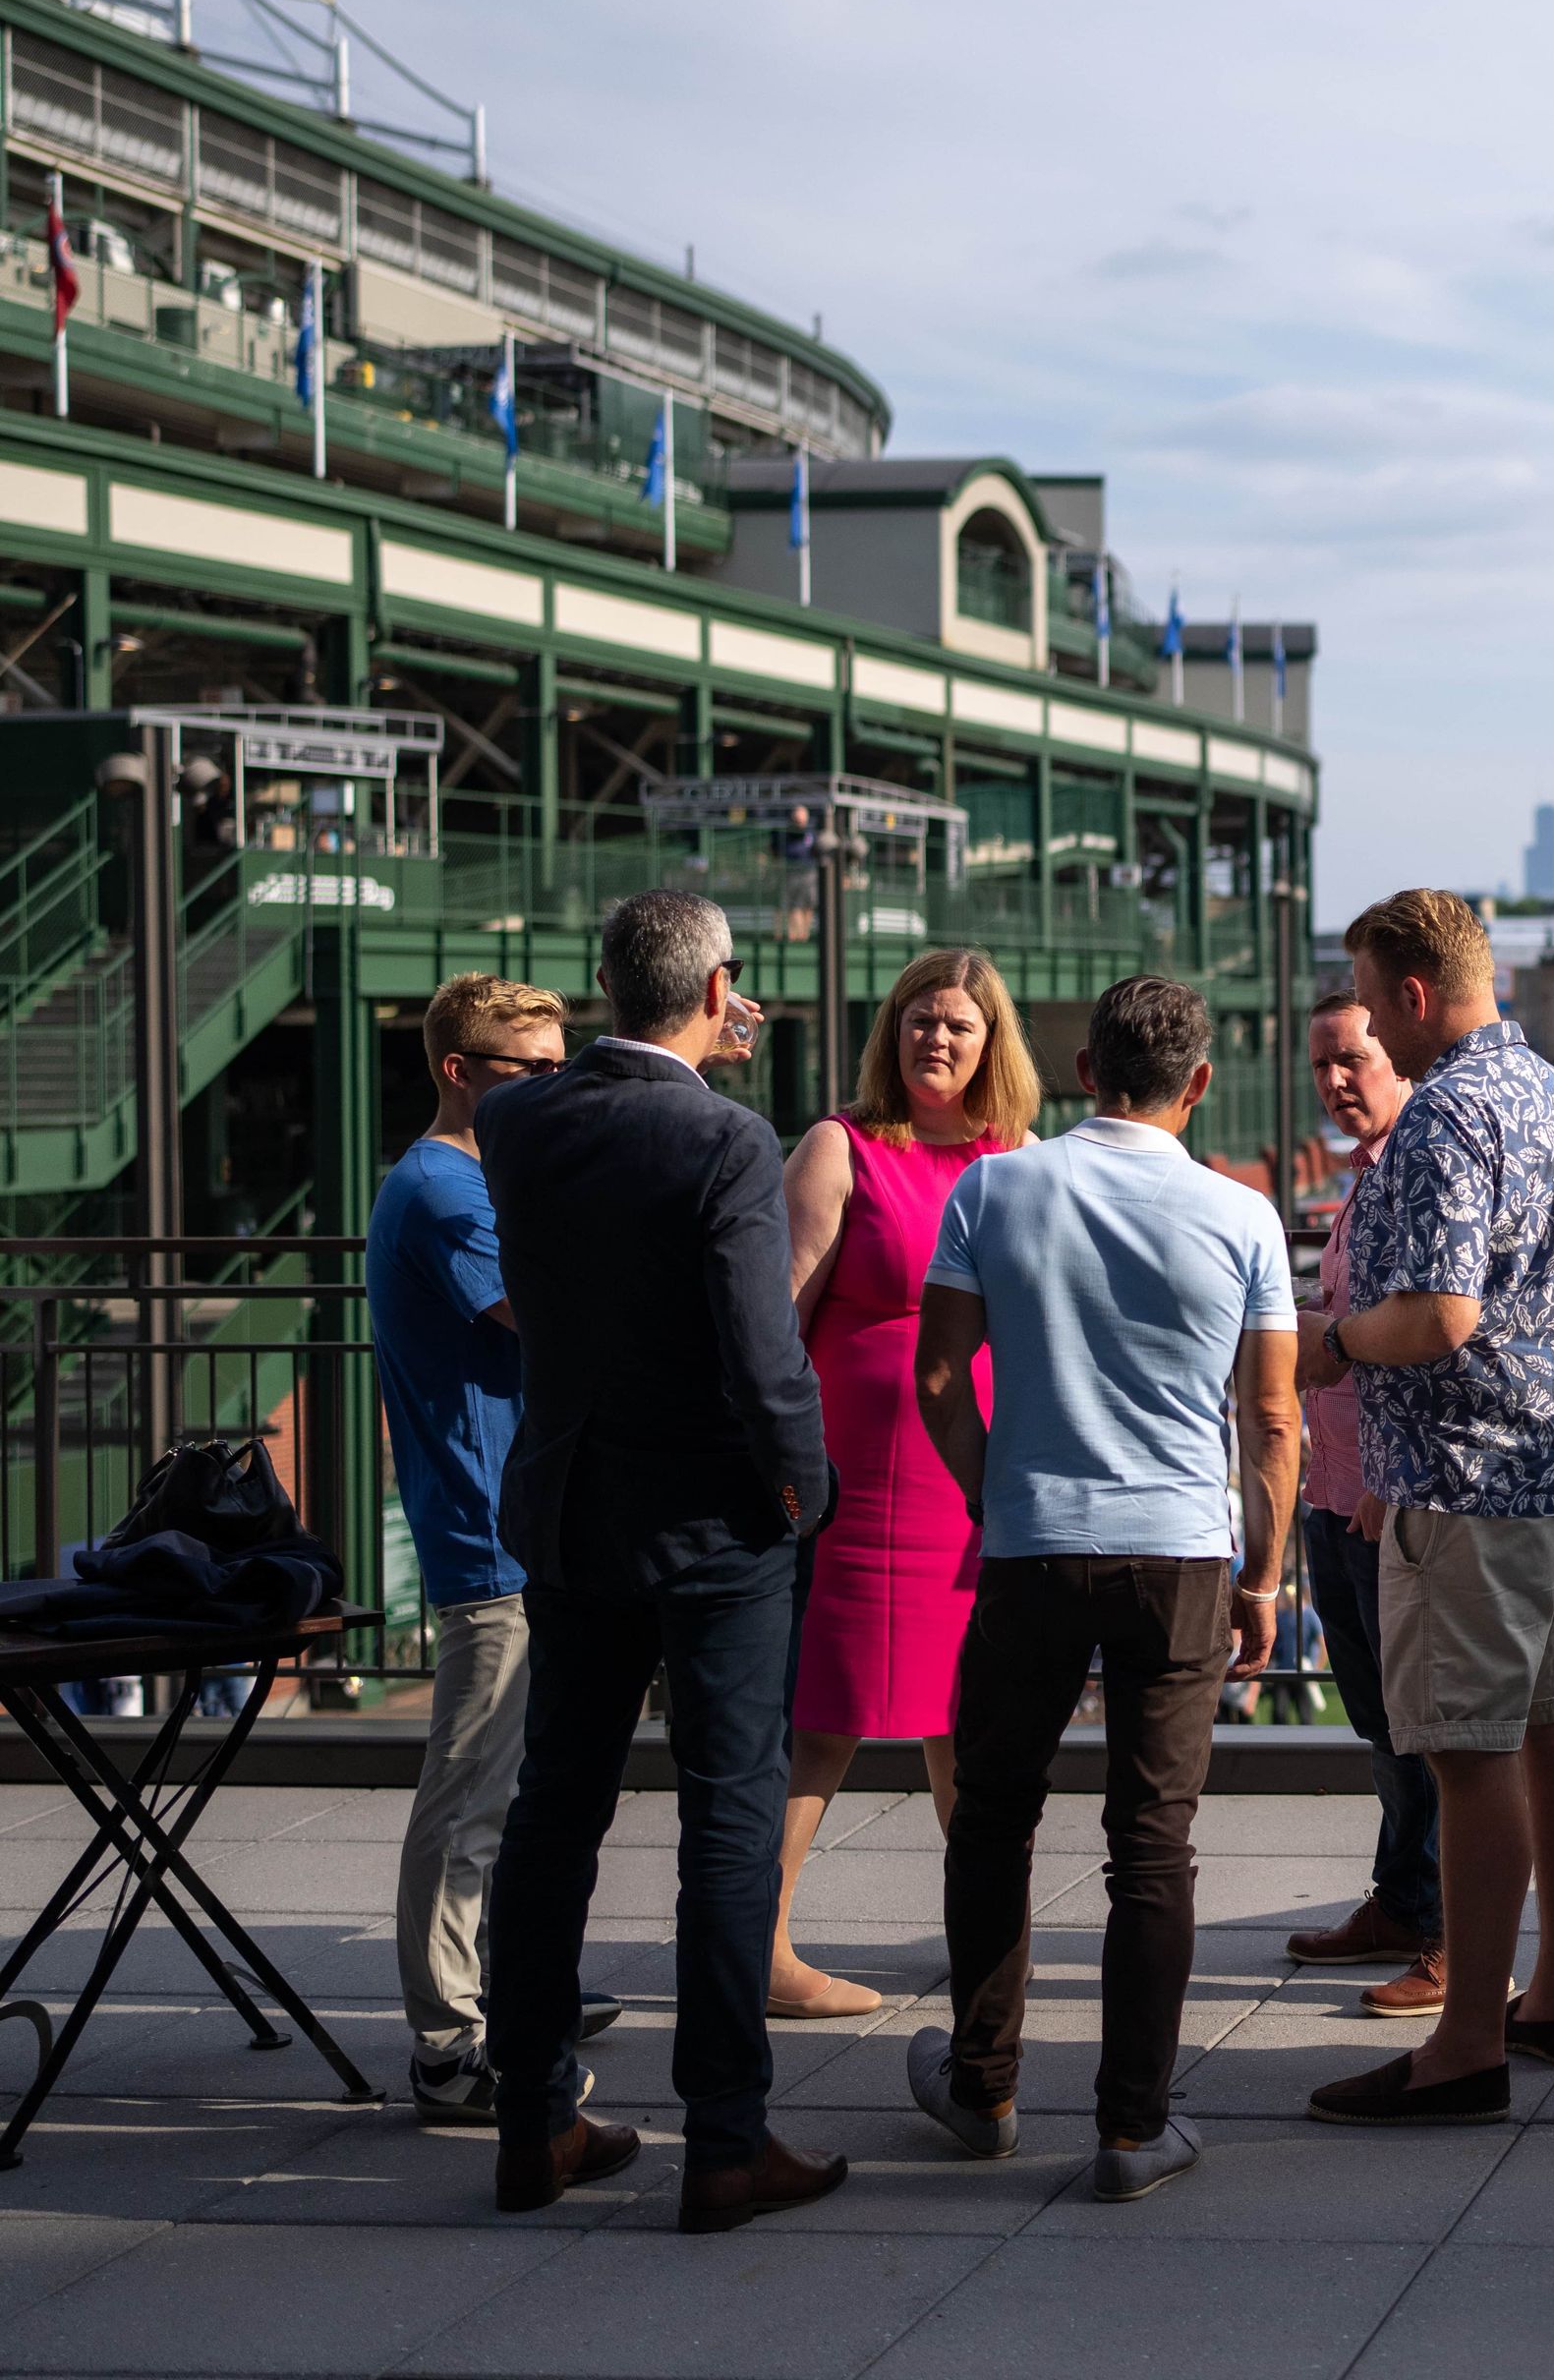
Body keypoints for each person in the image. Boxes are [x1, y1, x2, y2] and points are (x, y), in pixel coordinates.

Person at [478, 891, 844, 2232]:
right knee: (730, 1816)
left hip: (573, 1518)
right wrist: (807, 1489)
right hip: (711, 1533)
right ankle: (727, 2141)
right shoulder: (727, 1144)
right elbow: (764, 1358)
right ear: (716, 990)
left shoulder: (517, 1124)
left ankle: (531, 2123)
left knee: (552, 1814)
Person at [905, 973, 1296, 2204]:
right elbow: (1273, 1414)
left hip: (1031, 1543)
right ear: (1199, 1084)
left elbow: (934, 1378)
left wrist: (990, 1492)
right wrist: (1265, 1572)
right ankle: (1132, 2126)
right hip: (1179, 1551)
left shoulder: (996, 1184)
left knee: (994, 1816)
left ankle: (984, 2088)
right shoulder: (1244, 1216)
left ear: (1084, 1071)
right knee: (1152, 1845)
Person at [1299, 889, 1554, 2129]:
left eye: (1374, 1000)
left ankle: (1465, 2045)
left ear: (1416, 995)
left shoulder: (1446, 1116)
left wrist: (1332, 1342)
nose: (1373, 1023)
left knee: (1473, 1754)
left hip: (1470, 1484)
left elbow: (1438, 1315)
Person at [767, 948, 1040, 2019]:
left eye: (958, 1025)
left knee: (966, 1718)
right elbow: (778, 1317)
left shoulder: (1018, 1154)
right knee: (823, 1713)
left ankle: (989, 1945)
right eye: (920, 1019)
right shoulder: (841, 1144)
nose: (935, 1038)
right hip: (857, 1479)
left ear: (991, 1044)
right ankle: (762, 1946)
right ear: (893, 1030)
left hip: (969, 1468)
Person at [370, 974, 621, 2123]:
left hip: (522, 1519)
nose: (555, 1084)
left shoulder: (466, 1177)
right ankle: (448, 2043)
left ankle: (515, 1988)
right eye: (535, 1069)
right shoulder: (440, 1191)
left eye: (567, 1063)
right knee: (470, 1794)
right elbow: (555, 1307)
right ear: (460, 1070)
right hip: (489, 1532)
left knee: (515, 1789)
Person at [1283, 988, 1450, 2016]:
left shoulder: (1420, 1168)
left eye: (1353, 1059)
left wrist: (1389, 1481)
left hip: (1382, 1495)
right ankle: (1402, 1897)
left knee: (1420, 1725)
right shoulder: (1361, 1178)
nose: (1338, 1082)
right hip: (1334, 1485)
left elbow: (1430, 1336)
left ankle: (1442, 1928)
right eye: (1322, 1067)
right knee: (1378, 1721)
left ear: (1399, 1054)